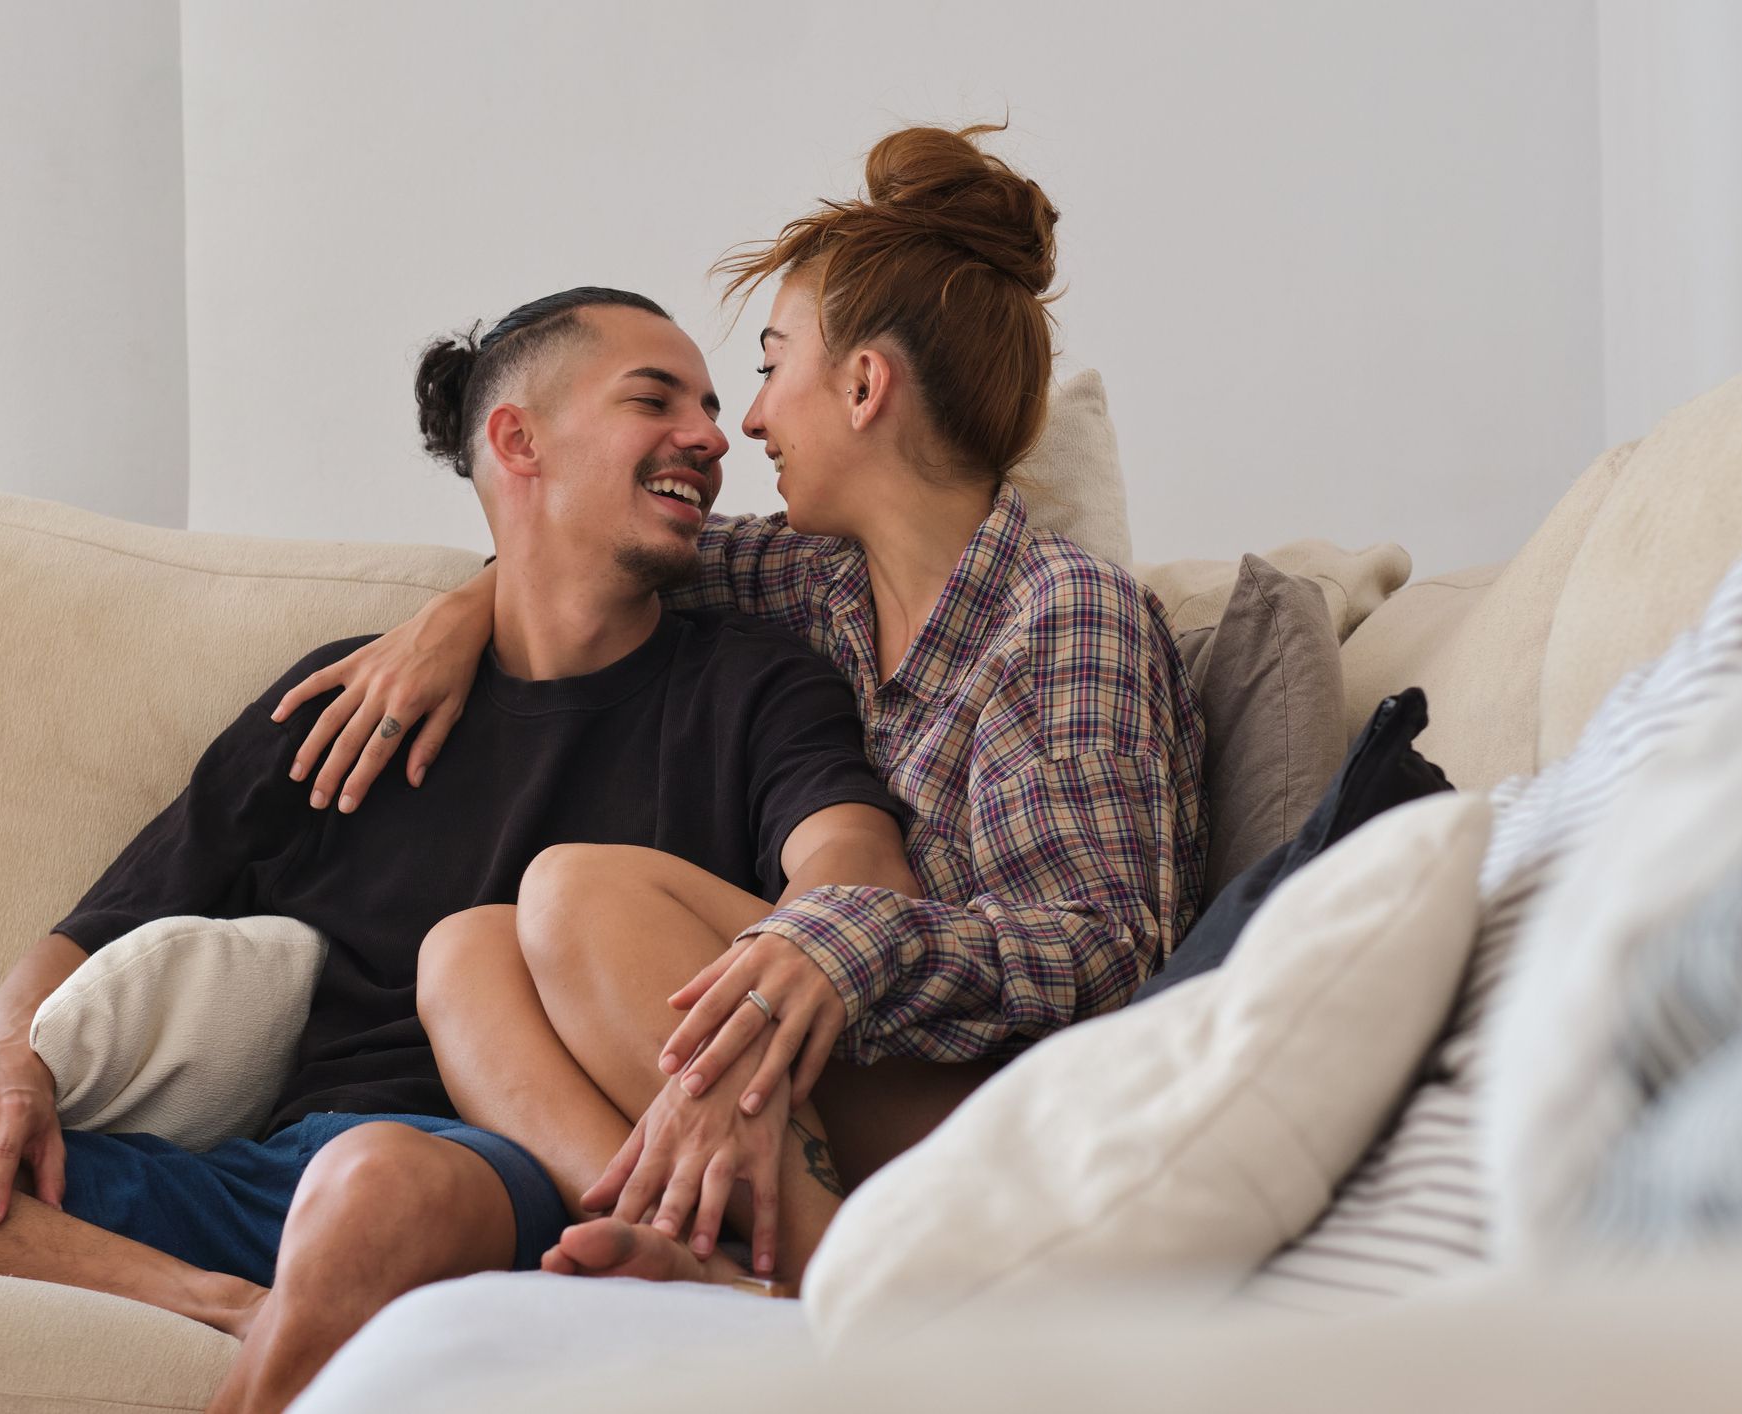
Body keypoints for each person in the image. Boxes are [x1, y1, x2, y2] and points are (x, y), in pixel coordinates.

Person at [0, 286, 915, 1414]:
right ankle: (207, 1297)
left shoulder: (753, 685)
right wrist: (6, 1055)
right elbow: (87, 935)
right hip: (268, 1174)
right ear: (518, 440)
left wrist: (800, 950)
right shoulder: (344, 703)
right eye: (655, 399)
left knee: (378, 1177)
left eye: (715, 405)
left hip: (489, 1171)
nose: (714, 437)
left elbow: (853, 857)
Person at [277, 123, 1209, 1289]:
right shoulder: (819, 581)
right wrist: (448, 620)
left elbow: (1103, 948)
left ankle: (850, 1301)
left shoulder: (1064, 616)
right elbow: (588, 548)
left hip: (1021, 1114)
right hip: (855, 1084)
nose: (748, 424)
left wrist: (839, 940)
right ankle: (707, 1250)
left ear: (865, 386)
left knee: (576, 886)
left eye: (772, 367)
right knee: (464, 947)